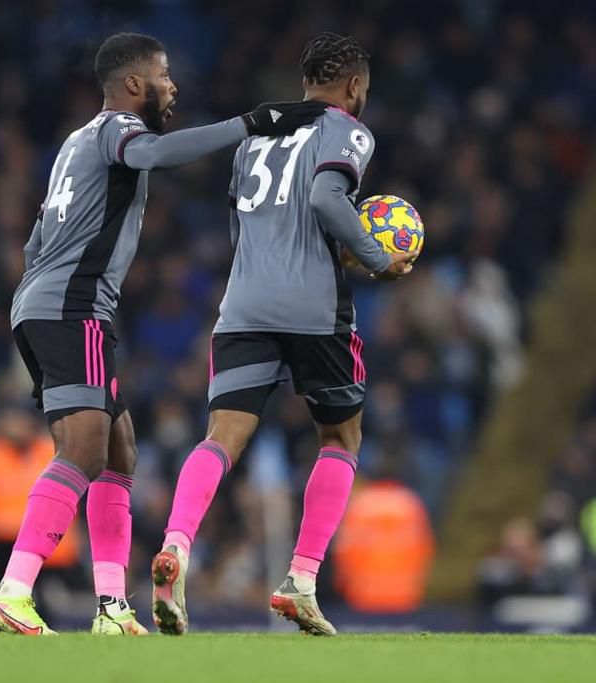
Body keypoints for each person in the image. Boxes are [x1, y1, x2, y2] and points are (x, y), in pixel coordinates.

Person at [0, 32, 327, 636]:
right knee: (84, 450)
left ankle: (112, 607)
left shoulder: (73, 143)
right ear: (134, 84)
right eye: (165, 76)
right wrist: (250, 123)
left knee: (120, 449)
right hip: (73, 307)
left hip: (47, 303)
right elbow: (153, 156)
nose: (174, 87)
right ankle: (13, 589)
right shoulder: (117, 129)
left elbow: (36, 240)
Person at [150, 32, 418, 636]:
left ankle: (177, 545)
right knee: (341, 438)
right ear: (354, 87)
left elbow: (242, 221)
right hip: (313, 306)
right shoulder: (349, 130)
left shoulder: (256, 138)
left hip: (244, 302)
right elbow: (326, 197)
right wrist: (374, 255)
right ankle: (300, 579)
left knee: (222, 437)